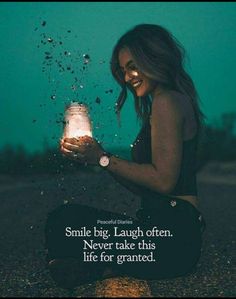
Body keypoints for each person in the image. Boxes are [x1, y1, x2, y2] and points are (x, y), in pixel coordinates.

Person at [45, 24, 206, 289]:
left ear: (154, 58)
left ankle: (102, 266)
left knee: (64, 225)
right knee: (65, 219)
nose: (128, 76)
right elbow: (147, 185)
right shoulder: (168, 101)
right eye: (122, 70)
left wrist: (103, 158)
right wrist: (97, 160)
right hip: (158, 233)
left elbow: (164, 182)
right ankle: (107, 266)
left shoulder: (167, 101)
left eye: (134, 65)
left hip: (172, 237)